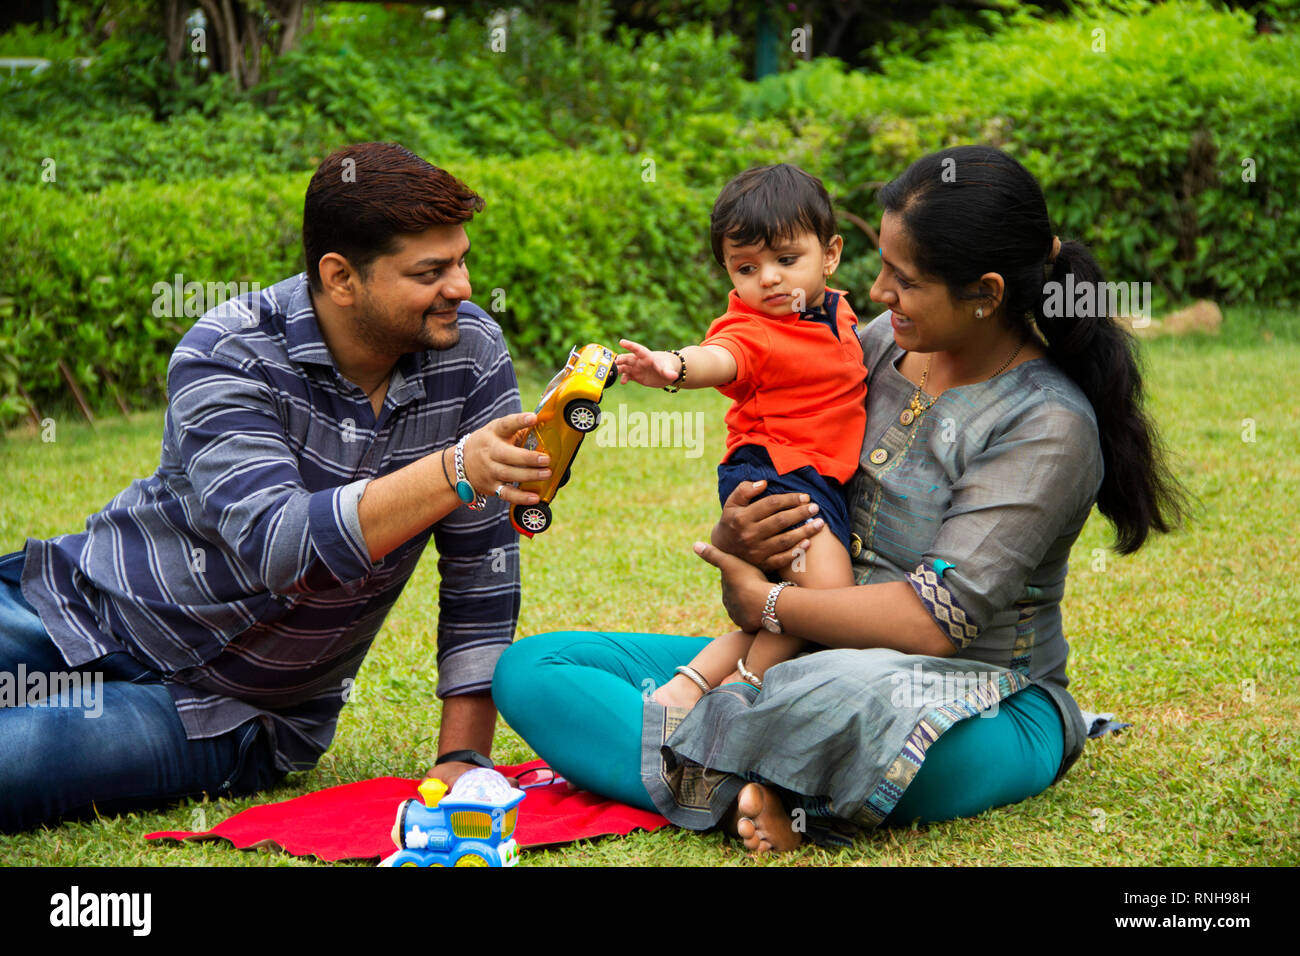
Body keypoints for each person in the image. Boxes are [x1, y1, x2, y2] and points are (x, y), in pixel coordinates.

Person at [493, 144, 1189, 853]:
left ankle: (744, 772)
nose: (880, 291)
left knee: (831, 697)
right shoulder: (875, 343)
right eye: (882, 264)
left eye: (906, 279)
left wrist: (765, 605)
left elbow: (931, 626)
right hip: (807, 652)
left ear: (985, 293)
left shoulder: (1045, 424)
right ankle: (768, 788)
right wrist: (742, 535)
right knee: (534, 669)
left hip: (974, 698)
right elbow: (796, 470)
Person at [0, 142, 556, 832]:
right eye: (431, 271)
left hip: (227, 708)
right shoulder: (229, 351)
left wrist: (465, 756)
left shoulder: (470, 355)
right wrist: (455, 468)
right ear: (340, 276)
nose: (463, 287)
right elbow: (281, 545)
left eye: (463, 259)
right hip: (77, 604)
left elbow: (481, 569)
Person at [615, 164, 867, 709]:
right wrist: (673, 366)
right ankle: (741, 691)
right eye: (746, 267)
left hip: (810, 476)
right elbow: (722, 358)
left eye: (785, 259)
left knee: (789, 609)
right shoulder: (754, 329)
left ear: (830, 254)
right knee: (830, 603)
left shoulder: (837, 313)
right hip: (777, 476)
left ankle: (685, 686)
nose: (768, 279)